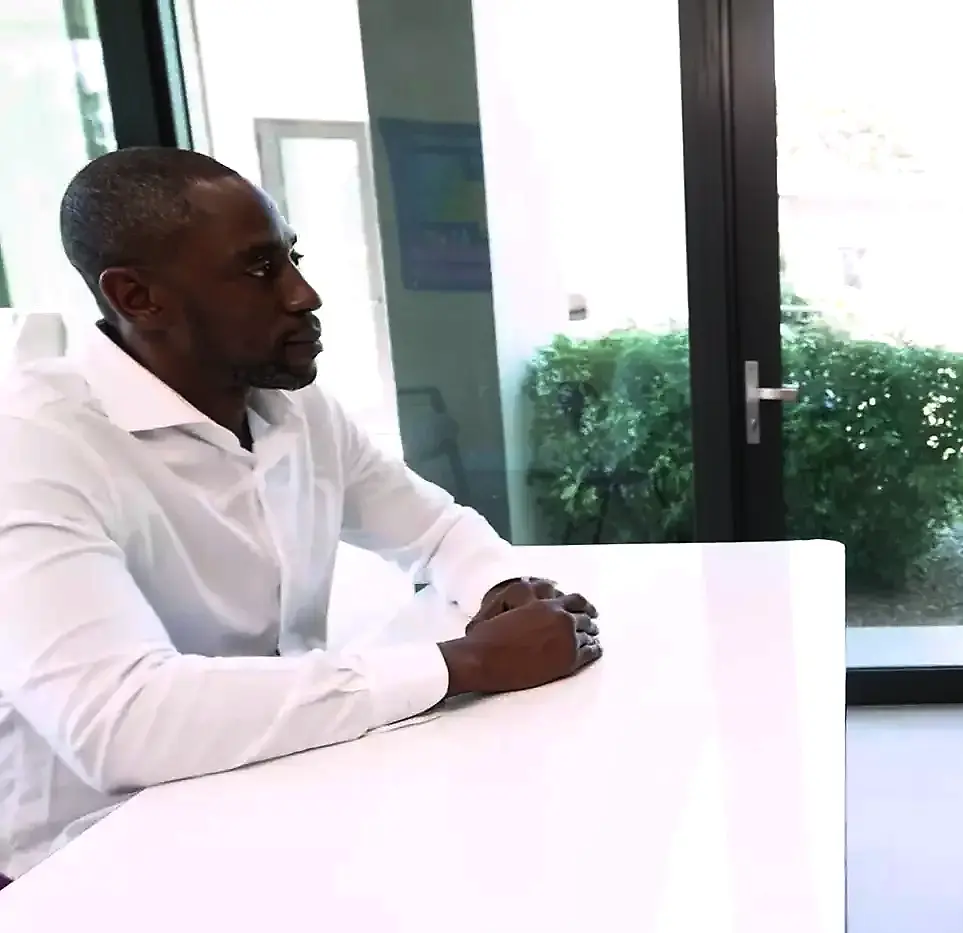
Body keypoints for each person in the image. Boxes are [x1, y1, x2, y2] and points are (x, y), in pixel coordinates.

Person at [0, 148, 602, 886]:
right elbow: (118, 720)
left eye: (293, 257)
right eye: (260, 269)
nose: (304, 294)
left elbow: (434, 529)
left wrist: (501, 589)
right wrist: (465, 663)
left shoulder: (293, 408)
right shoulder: (31, 446)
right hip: (86, 865)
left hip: (276, 794)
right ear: (138, 297)